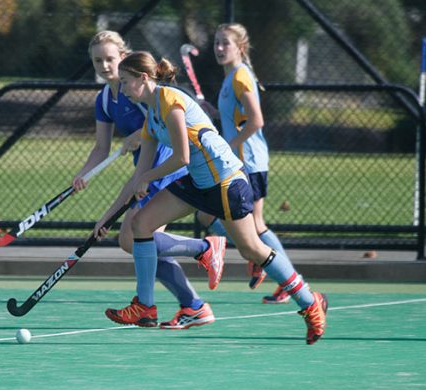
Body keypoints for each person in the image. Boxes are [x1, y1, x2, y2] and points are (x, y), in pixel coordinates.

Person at [95, 51, 328, 344]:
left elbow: (181, 156)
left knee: (252, 249)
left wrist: (147, 179)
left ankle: (309, 303)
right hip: (197, 181)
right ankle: (145, 307)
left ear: (143, 79)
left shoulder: (170, 101)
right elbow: (137, 177)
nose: (123, 89)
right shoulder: (150, 120)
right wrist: (105, 218)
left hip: (227, 181)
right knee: (140, 225)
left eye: (127, 82)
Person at [73, 31, 225, 330]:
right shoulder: (105, 98)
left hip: (166, 168)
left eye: (110, 59)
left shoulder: (140, 90)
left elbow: (164, 115)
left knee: (135, 238)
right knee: (139, 242)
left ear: (123, 57)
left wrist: (138, 135)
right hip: (145, 170)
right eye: (98, 60)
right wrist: (83, 174)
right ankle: (193, 305)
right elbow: (101, 147)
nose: (105, 66)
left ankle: (203, 252)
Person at [196, 23, 292, 304]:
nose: (219, 48)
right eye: (216, 42)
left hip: (248, 161)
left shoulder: (240, 77)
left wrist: (232, 143)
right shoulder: (230, 79)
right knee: (206, 215)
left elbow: (256, 120)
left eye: (225, 43)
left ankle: (283, 277)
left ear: (241, 47)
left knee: (257, 226)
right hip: (235, 162)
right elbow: (233, 120)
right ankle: (256, 254)